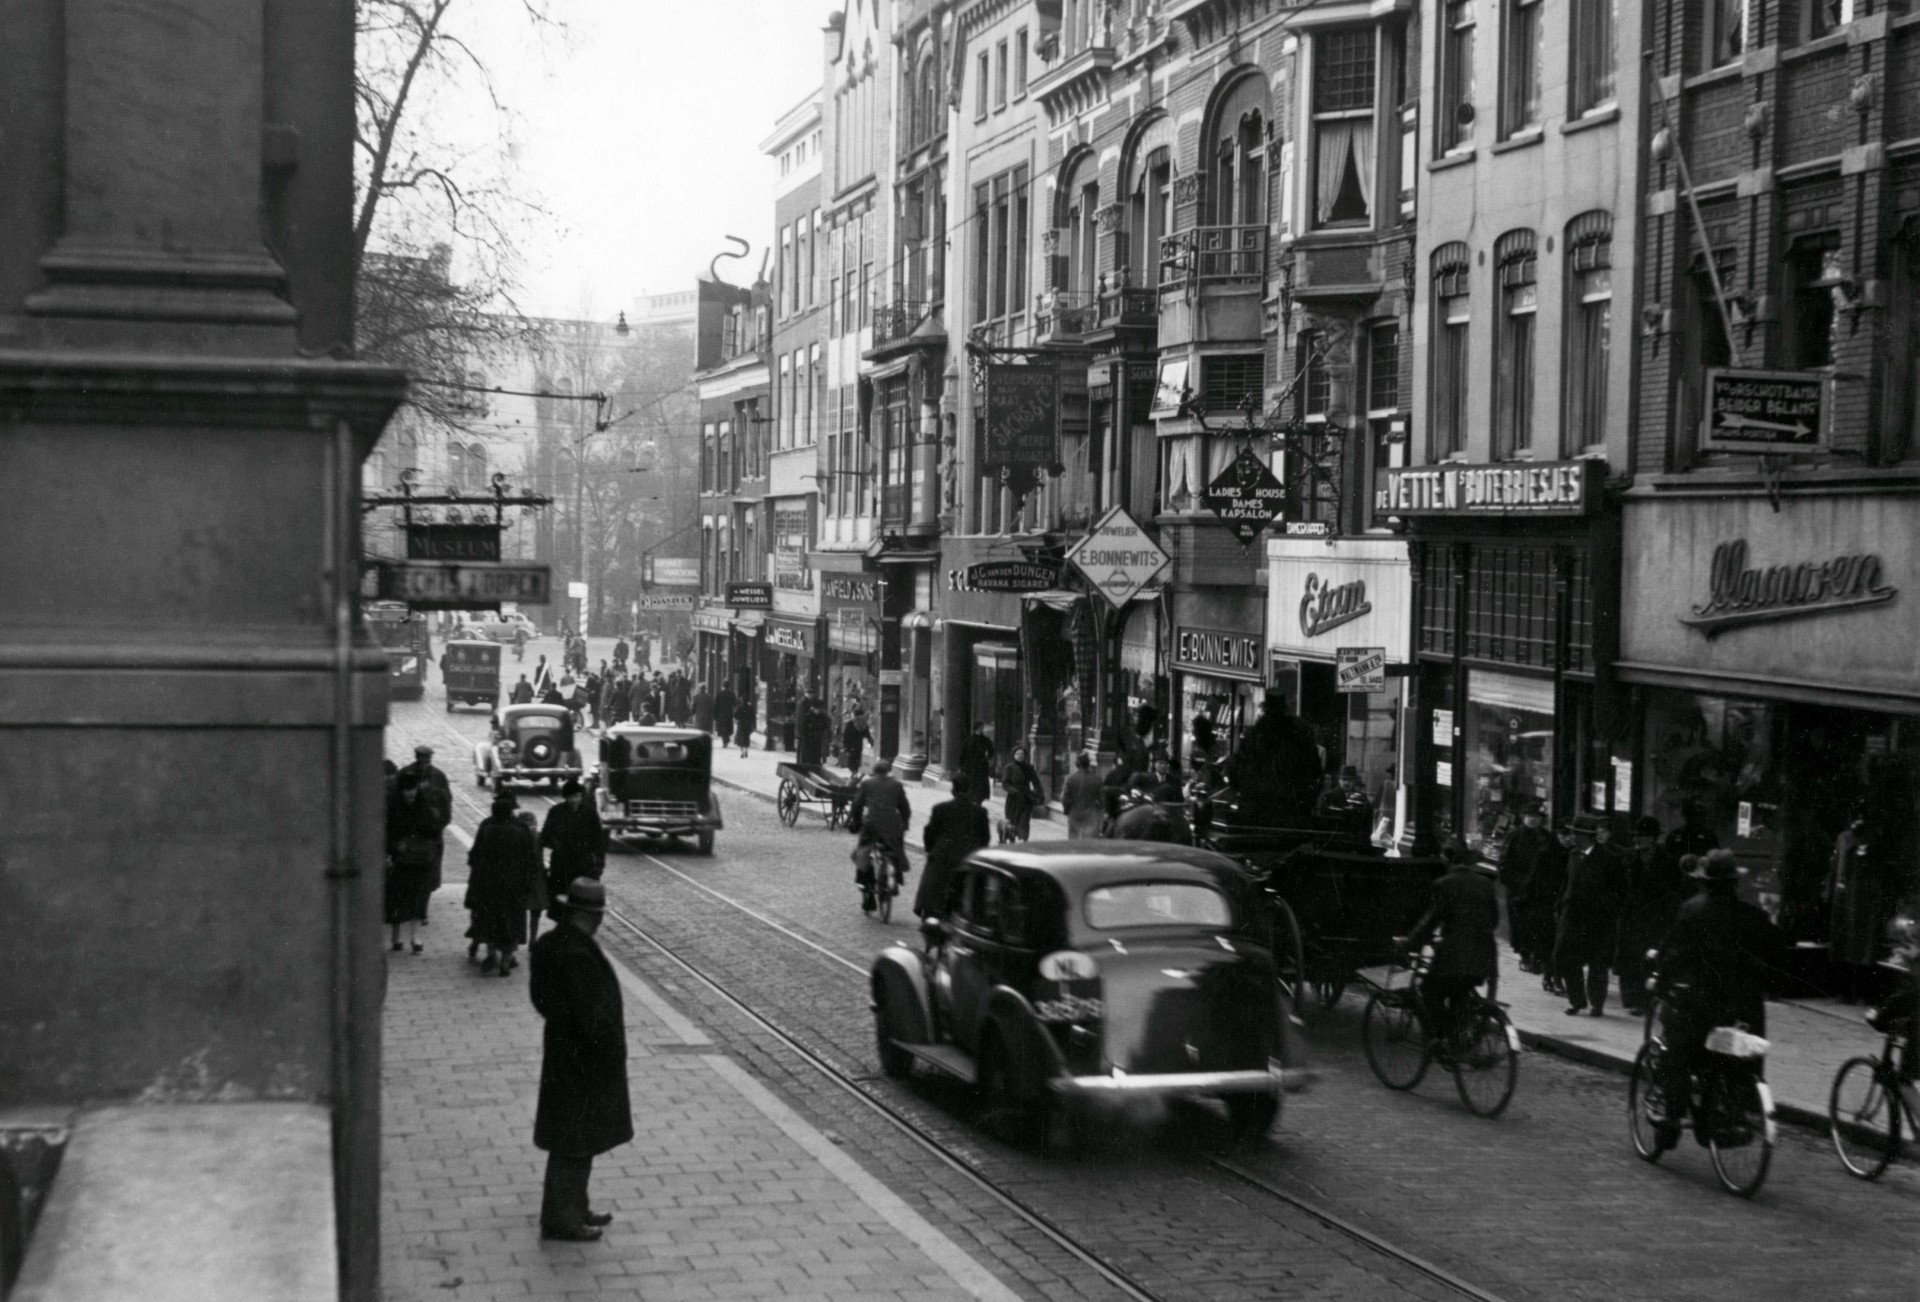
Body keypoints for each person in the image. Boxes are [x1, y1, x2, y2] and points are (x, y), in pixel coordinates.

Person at [1649, 850, 1789, 1151]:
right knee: (1726, 1059)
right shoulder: (1753, 916)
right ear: (1734, 883)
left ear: (1704, 883)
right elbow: (1779, 953)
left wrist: (1659, 980)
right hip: (1741, 1007)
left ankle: (1671, 1121)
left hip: (1697, 1002)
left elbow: (1674, 953)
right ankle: (1728, 1112)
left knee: (1676, 1056)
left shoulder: (1692, 910)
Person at [529, 877, 632, 1242]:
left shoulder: (550, 944)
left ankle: (575, 1205)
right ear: (590, 916)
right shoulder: (577, 954)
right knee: (574, 1140)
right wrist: (610, 1048)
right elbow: (592, 1015)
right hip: (584, 1059)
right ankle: (562, 1218)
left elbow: (540, 999)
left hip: (562, 1052)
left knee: (576, 1136)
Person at [1401, 841, 1501, 1057]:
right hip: (1484, 956)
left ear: (1447, 860)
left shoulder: (1444, 884)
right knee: (1460, 994)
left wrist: (1410, 943)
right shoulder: (1485, 883)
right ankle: (1459, 1041)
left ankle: (1439, 1041)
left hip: (1454, 955)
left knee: (1429, 992)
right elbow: (1494, 920)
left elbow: (1429, 922)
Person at [1555, 814, 1631, 1016]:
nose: (1572, 837)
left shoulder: (1608, 859)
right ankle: (1577, 1001)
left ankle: (1597, 1003)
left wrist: (1606, 909)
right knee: (1570, 961)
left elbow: (1620, 890)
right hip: (1572, 918)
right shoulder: (1572, 856)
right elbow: (1566, 884)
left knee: (1597, 964)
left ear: (1586, 836)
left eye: (1575, 834)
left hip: (1597, 921)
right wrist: (1560, 906)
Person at [465, 795, 540, 976]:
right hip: (514, 887)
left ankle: (492, 953)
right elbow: (531, 860)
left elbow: (474, 857)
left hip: (489, 885)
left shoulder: (486, 827)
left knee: (491, 922)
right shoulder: (521, 829)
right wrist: (527, 883)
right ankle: (506, 962)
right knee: (512, 924)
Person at [1225, 692, 1324, 828]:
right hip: (1293, 815)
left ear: (1265, 710)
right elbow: (1316, 775)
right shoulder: (1301, 735)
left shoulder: (1254, 735)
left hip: (1255, 814)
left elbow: (1234, 772)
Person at [1617, 815, 1684, 1015]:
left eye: (1643, 836)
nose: (1638, 840)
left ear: (1653, 838)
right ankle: (1632, 999)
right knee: (1630, 957)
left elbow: (1674, 889)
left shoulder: (1667, 860)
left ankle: (1647, 999)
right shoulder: (1628, 857)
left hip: (1656, 916)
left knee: (1650, 957)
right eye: (1636, 836)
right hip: (1631, 915)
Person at [1829, 810, 1892, 1003]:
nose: (1858, 822)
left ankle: (1859, 991)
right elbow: (1836, 865)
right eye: (1856, 818)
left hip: (1863, 901)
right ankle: (1847, 991)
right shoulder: (1844, 838)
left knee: (1861, 947)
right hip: (1846, 899)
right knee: (1847, 945)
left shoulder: (1873, 840)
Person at [916, 777, 990, 920]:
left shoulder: (940, 808)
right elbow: (985, 839)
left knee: (930, 885)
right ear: (970, 790)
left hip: (943, 856)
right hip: (969, 859)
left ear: (953, 790)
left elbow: (929, 833)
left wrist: (930, 850)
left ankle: (927, 910)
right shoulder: (980, 812)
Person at [385, 772, 441, 953]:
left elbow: (434, 831)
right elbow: (386, 833)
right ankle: (396, 936)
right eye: (407, 790)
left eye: (413, 789)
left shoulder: (424, 807)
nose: (411, 793)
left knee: (418, 898)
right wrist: (393, 848)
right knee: (396, 897)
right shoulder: (393, 808)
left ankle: (415, 938)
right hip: (399, 860)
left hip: (419, 860)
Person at [1499, 803, 1558, 974]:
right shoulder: (1514, 836)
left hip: (1540, 891)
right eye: (1529, 816)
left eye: (1536, 816)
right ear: (1523, 818)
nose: (1532, 819)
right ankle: (1525, 956)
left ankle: (1537, 957)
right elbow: (1504, 864)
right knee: (1520, 925)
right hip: (1519, 891)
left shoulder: (1547, 837)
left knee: (1539, 925)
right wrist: (1517, 883)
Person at [848, 757, 912, 913]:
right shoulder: (897, 785)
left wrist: (855, 823)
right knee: (896, 848)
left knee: (863, 853)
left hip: (873, 825)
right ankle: (895, 878)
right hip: (893, 825)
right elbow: (905, 808)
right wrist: (904, 823)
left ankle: (866, 889)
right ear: (888, 771)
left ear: (874, 771)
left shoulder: (867, 784)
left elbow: (857, 806)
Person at [539, 780, 605, 907]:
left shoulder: (590, 813)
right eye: (571, 797)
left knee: (582, 900)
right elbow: (546, 835)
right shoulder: (556, 812)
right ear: (565, 797)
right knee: (561, 900)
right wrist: (556, 845)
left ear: (581, 796)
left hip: (584, 865)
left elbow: (598, 840)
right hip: (562, 864)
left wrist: (600, 864)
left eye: (577, 796)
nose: (574, 800)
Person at [403, 745, 452, 913]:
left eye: (427, 758)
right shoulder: (406, 773)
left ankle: (422, 907)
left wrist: (439, 825)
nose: (424, 761)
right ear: (416, 757)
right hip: (411, 832)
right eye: (421, 757)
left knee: (429, 873)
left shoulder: (438, 776)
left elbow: (446, 805)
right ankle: (413, 905)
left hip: (432, 833)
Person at [1316, 765, 1375, 841]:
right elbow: (1320, 822)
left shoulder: (1362, 798)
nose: (1346, 782)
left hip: (1355, 841)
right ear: (1339, 780)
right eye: (1344, 779)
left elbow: (1367, 823)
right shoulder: (1327, 797)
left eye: (1350, 780)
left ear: (1354, 781)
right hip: (1334, 840)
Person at [1000, 745, 1043, 843]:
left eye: (1022, 754)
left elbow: (1036, 782)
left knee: (1024, 821)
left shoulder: (1029, 768)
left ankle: (1023, 840)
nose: (1020, 756)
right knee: (1012, 821)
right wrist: (1013, 791)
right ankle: (1011, 839)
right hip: (1013, 799)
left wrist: (1040, 794)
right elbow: (1005, 783)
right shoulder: (1009, 768)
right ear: (1013, 755)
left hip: (1026, 798)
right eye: (1018, 754)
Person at [1062, 752, 1105, 840]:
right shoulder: (1097, 780)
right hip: (1091, 814)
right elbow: (1102, 799)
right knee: (1090, 840)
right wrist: (1100, 809)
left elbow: (1064, 798)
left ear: (1077, 765)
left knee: (1074, 839)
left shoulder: (1070, 779)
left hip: (1074, 812)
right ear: (1088, 764)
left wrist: (1067, 809)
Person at [957, 721, 997, 803]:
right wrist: (961, 766)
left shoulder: (986, 740)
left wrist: (986, 758)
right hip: (969, 767)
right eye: (980, 727)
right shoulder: (968, 740)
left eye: (982, 728)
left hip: (981, 766)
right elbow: (963, 753)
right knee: (971, 786)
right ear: (976, 728)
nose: (981, 729)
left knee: (980, 787)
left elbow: (992, 752)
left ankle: (979, 803)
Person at [796, 693, 829, 766]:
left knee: (816, 758)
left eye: (821, 709)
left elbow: (825, 727)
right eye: (818, 709)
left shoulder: (823, 717)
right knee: (808, 759)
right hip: (808, 741)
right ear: (813, 708)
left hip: (817, 741)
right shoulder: (808, 717)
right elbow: (803, 729)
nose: (819, 711)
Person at [841, 706, 872, 773]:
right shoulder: (864, 724)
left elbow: (846, 735)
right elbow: (867, 734)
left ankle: (853, 772)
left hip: (850, 744)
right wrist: (870, 741)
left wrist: (844, 744)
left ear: (855, 715)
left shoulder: (851, 723)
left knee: (851, 758)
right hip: (858, 744)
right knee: (857, 758)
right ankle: (855, 771)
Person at [733, 681, 756, 756]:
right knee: (746, 738)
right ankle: (746, 750)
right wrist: (754, 726)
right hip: (748, 724)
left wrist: (736, 721)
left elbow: (735, 715)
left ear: (742, 700)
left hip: (741, 724)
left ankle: (742, 751)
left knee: (740, 739)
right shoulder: (750, 707)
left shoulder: (740, 707)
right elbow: (753, 717)